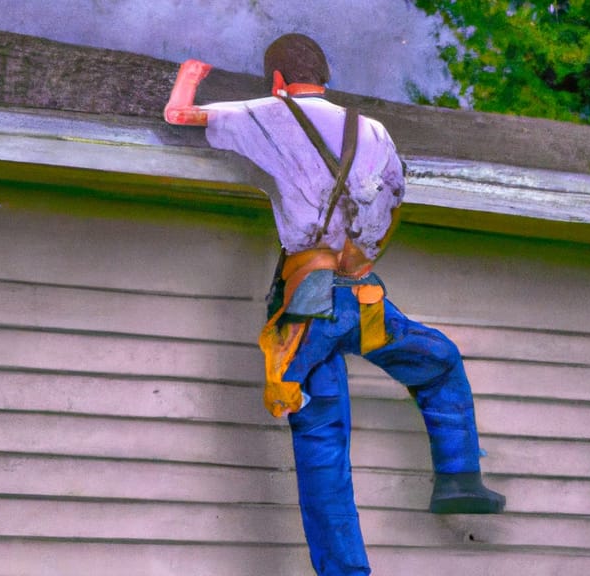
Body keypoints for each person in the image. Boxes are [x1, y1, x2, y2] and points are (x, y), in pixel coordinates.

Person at [165, 33, 504, 576]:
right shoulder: (371, 130)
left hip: (308, 305)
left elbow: (180, 115)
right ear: (324, 77)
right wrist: (363, 252)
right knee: (438, 360)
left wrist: (191, 72)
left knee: (323, 444)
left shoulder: (269, 114)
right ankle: (459, 478)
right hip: (360, 299)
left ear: (278, 81)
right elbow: (395, 200)